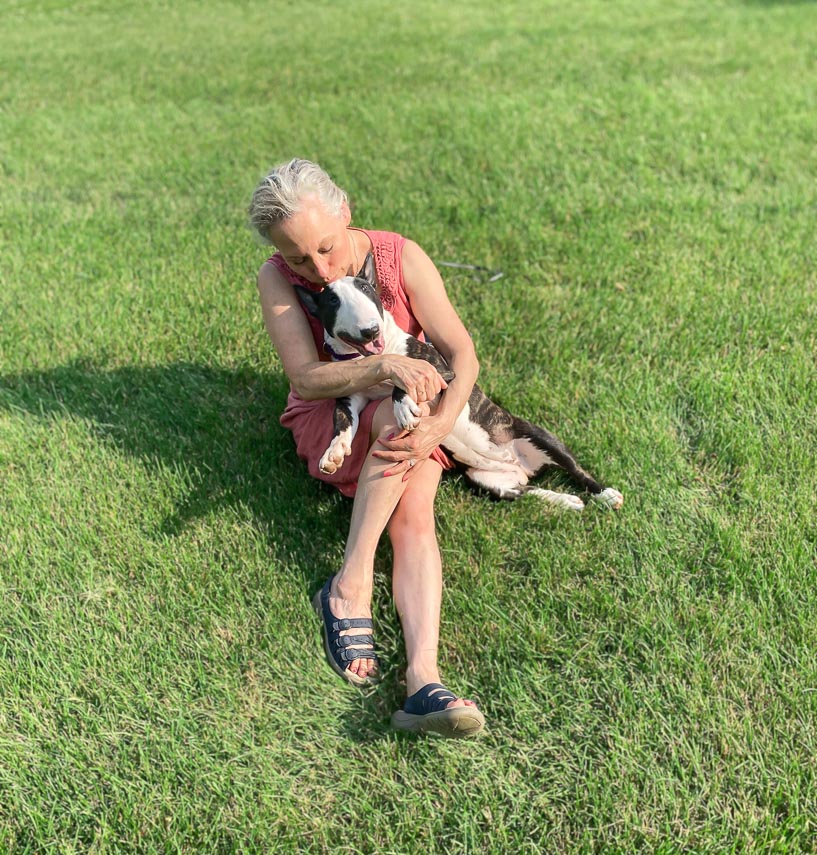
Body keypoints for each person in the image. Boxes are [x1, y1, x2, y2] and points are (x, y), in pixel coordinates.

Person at [249, 158, 485, 737]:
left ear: (345, 211)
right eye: (299, 259)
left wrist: (441, 425)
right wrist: (383, 368)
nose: (318, 268)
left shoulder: (401, 257)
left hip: (417, 412)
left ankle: (424, 681)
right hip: (335, 413)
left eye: (326, 248)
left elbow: (462, 354)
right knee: (394, 426)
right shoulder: (276, 279)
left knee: (415, 514)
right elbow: (307, 378)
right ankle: (351, 584)